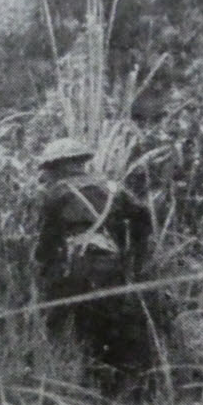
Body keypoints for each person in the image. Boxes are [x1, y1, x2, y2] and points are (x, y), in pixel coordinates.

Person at [35, 138, 153, 391]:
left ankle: (83, 383)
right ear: (81, 162)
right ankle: (122, 386)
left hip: (76, 269)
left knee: (75, 325)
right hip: (112, 265)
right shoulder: (113, 188)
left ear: (58, 166)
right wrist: (134, 256)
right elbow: (144, 218)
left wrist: (43, 269)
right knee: (114, 324)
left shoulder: (55, 194)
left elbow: (46, 242)